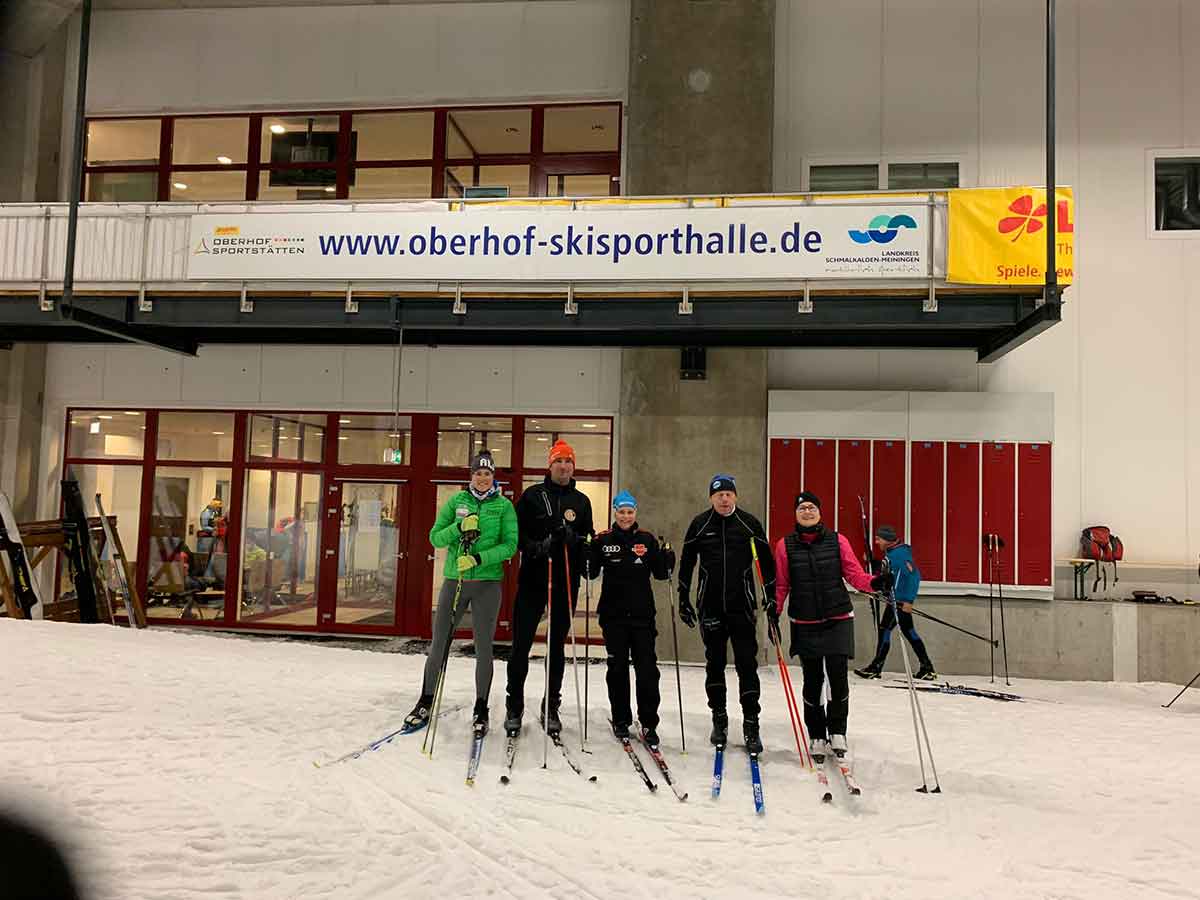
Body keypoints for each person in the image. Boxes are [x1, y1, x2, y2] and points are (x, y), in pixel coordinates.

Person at [404, 451, 517, 734]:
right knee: (439, 641)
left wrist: (480, 559)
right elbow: (434, 537)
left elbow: (510, 546)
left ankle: (481, 706)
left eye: (487, 474)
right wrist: (458, 527)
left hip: (487, 584)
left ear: (494, 477)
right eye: (478, 473)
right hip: (456, 580)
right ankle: (425, 700)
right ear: (471, 476)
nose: (482, 478)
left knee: (483, 647)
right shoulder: (457, 502)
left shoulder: (503, 506)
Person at [773, 491, 890, 761]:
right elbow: (781, 585)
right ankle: (815, 733)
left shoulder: (838, 541)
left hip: (837, 618)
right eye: (802, 508)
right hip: (805, 621)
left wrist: (875, 583)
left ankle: (838, 730)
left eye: (812, 507)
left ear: (820, 512)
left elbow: (854, 575)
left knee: (838, 678)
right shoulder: (784, 546)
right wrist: (773, 611)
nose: (807, 511)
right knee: (812, 681)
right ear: (795, 514)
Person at [676, 474, 774, 754]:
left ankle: (751, 723)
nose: (723, 498)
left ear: (735, 496)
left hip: (742, 607)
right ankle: (719, 719)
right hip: (710, 607)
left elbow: (766, 565)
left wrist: (771, 599)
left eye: (728, 493)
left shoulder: (749, 523)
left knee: (747, 665)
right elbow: (686, 563)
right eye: (718, 494)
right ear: (711, 498)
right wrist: (684, 597)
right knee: (714, 664)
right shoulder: (700, 524)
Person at [504, 439, 595, 737]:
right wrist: (538, 547)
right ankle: (514, 704)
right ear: (550, 464)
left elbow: (588, 539)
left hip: (565, 582)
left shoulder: (581, 502)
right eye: (559, 461)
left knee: (557, 648)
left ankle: (551, 704)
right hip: (533, 579)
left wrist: (578, 545)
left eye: (569, 461)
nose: (564, 466)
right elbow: (517, 536)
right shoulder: (532, 496)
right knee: (521, 646)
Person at [585, 491, 675, 746]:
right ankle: (621, 719)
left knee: (647, 670)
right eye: (621, 511)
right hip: (613, 616)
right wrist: (586, 553)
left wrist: (668, 559)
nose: (626, 516)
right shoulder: (603, 539)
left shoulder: (646, 539)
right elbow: (590, 573)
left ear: (635, 513)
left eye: (630, 511)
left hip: (642, 616)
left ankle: (648, 722)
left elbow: (660, 573)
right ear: (615, 512)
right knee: (617, 669)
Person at [854, 525, 937, 681]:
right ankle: (927, 668)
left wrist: (908, 601)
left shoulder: (900, 555)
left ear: (887, 539)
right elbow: (890, 572)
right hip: (894, 600)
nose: (876, 542)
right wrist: (873, 562)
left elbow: (913, 576)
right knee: (909, 632)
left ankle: (876, 668)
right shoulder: (894, 553)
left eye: (878, 539)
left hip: (899, 601)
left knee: (885, 629)